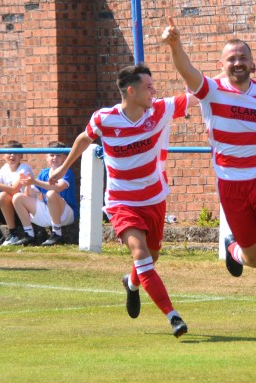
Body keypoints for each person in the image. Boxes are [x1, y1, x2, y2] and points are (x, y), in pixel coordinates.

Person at [162, 17, 256, 342]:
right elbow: (187, 71)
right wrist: (175, 45)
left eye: (243, 57)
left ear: (252, 64)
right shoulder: (211, 90)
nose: (237, 62)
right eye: (231, 58)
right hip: (232, 186)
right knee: (255, 259)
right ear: (221, 65)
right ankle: (234, 250)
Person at [50, 64, 197, 338]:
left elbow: (199, 92)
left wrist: (231, 76)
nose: (154, 91)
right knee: (140, 253)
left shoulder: (160, 110)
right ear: (132, 91)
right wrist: (63, 167)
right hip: (121, 202)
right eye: (149, 87)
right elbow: (84, 138)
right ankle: (173, 316)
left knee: (151, 257)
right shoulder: (105, 118)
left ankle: (131, 283)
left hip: (154, 198)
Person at [12, 141, 79, 246]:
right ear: (46, 157)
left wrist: (34, 181)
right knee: (17, 197)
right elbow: (29, 195)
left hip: (67, 214)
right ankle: (29, 234)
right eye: (51, 155)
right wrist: (28, 183)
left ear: (65, 158)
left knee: (51, 193)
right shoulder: (44, 173)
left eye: (58, 155)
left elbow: (58, 188)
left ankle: (57, 233)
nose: (54, 158)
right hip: (50, 212)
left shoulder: (66, 171)